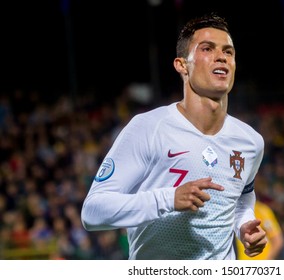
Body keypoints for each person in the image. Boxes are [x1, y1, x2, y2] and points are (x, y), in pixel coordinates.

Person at [81, 12, 267, 260]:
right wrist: (168, 198)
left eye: (228, 51)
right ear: (182, 65)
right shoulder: (147, 128)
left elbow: (243, 196)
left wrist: (244, 224)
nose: (221, 56)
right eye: (207, 49)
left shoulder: (251, 142)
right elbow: (92, 212)